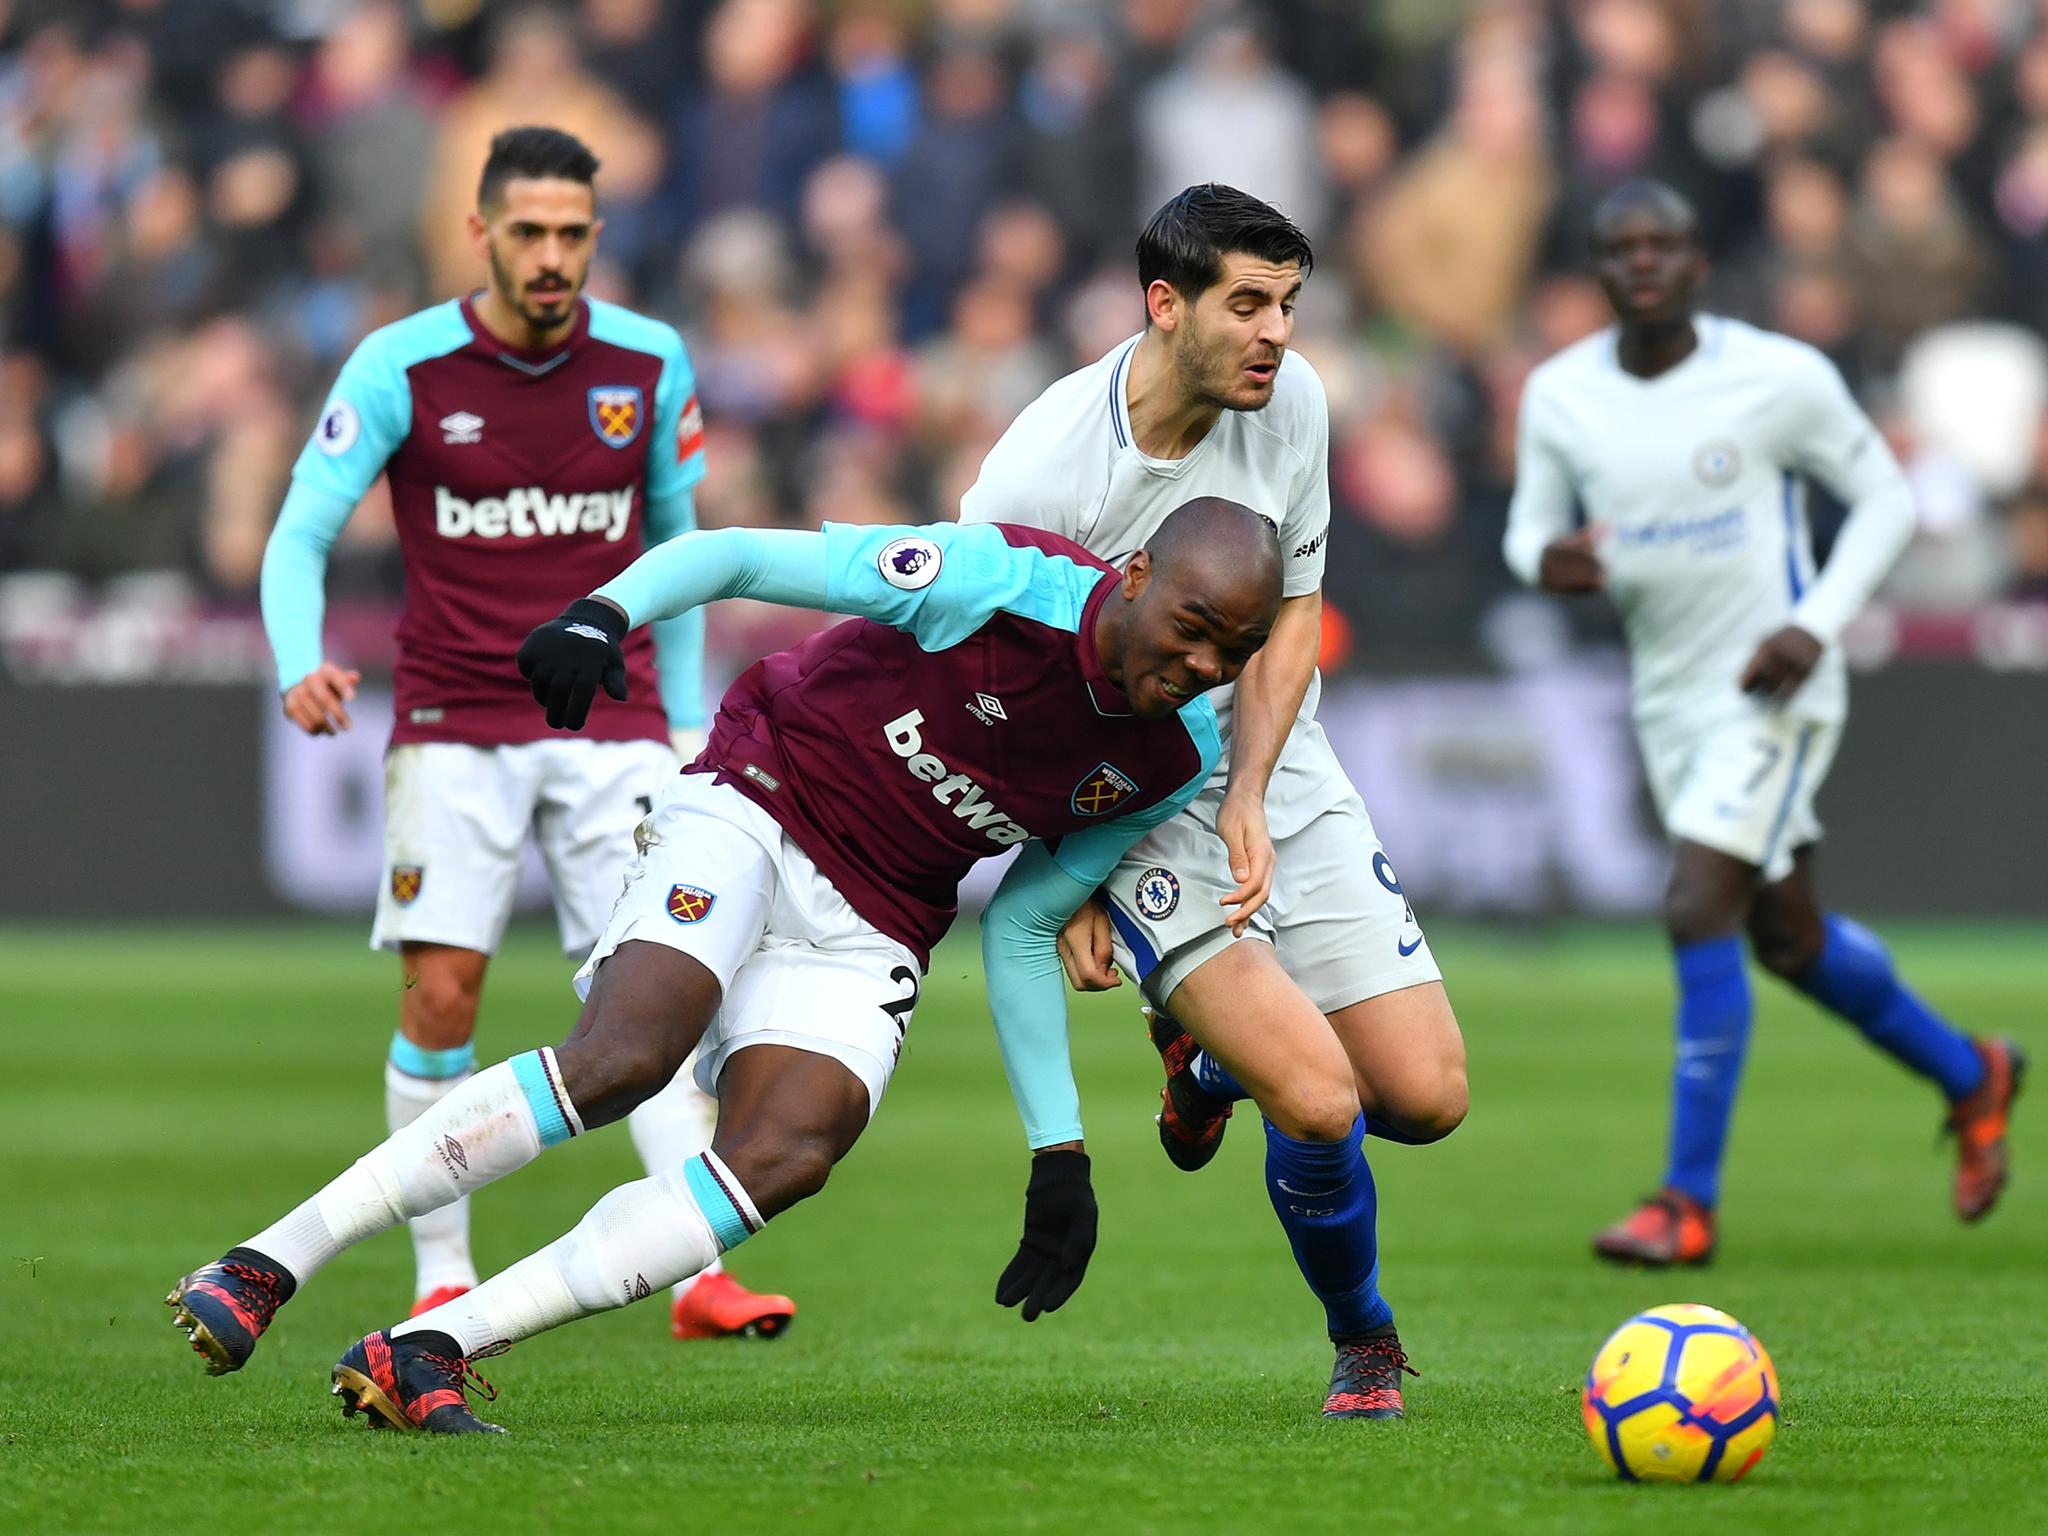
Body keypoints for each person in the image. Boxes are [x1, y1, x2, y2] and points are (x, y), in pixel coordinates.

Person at [167, 501, 1280, 1433]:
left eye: (1229, 653)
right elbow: (746, 555)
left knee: (791, 1150)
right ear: (1134, 575)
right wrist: (606, 614)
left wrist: (1059, 1152)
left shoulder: (1172, 760)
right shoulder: (993, 579)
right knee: (625, 1058)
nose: (1199, 665)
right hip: (760, 795)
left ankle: (430, 1348)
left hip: (878, 918)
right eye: (1190, 626)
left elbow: (1025, 925)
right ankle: (268, 1262)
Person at [254, 124, 792, 1339]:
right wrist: (300, 661)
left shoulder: (649, 362)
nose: (551, 257)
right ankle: (439, 1275)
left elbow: (684, 554)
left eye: (571, 235)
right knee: (443, 993)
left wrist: (692, 719)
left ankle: (691, 1267)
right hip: (452, 716)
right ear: (480, 233)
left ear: (595, 238)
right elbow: (298, 533)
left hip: (617, 728)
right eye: (529, 233)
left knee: (651, 994)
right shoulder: (402, 365)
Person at [959, 184, 1469, 1420]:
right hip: (1123, 794)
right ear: (1163, 304)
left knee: (1424, 1099)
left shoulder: (1289, 402)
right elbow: (982, 673)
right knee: (1319, 1097)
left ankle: (1204, 1073)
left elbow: (1294, 605)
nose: (1275, 333)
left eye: (1289, 305)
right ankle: (1364, 1339)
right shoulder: (1042, 465)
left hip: (1273, 763)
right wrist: (1059, 865)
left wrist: (1248, 789)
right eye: (1247, 304)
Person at [1504, 178, 2025, 1266]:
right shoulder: (1559, 394)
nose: (1642, 263)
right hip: (1667, 697)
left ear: (1698, 262)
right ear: (1597, 271)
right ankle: (1970, 1072)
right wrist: (1544, 561)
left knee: (1696, 903)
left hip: (1772, 687)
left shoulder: (1775, 377)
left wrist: (1812, 626)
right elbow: (1529, 530)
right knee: (1783, 938)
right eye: (1619, 248)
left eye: (1663, 244)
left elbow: (1886, 498)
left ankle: (1682, 1202)